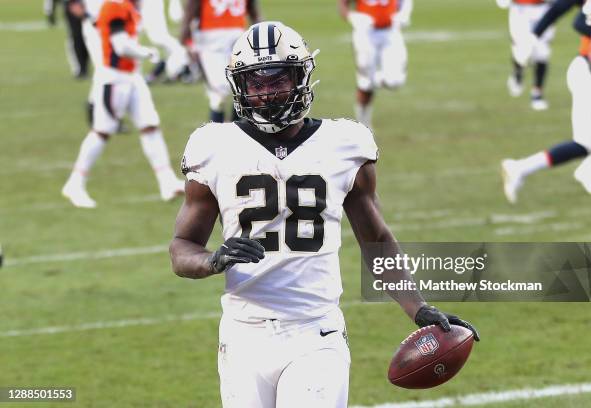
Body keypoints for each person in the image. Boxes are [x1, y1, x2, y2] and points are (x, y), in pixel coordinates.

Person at [170, 22, 479, 408]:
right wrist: (211, 260)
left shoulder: (344, 144)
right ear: (240, 87)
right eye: (256, 83)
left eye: (278, 80)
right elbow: (181, 248)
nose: (266, 93)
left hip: (314, 331)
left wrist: (417, 307)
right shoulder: (213, 146)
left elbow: (376, 240)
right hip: (241, 333)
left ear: (301, 78)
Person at [62, 0, 184, 208]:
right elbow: (121, 46)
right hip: (114, 78)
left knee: (150, 126)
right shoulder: (115, 6)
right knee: (102, 131)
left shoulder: (126, 6)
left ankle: (167, 181)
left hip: (132, 76)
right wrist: (146, 52)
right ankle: (75, 182)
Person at [502, 1, 591, 203]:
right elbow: (578, 20)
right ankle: (590, 169)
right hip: (589, 71)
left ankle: (520, 168)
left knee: (584, 143)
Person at [180, 0, 261, 123]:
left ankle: (237, 130)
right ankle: (216, 134)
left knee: (243, 86)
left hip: (237, 37)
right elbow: (192, 6)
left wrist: (260, 32)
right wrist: (187, 36)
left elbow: (252, 8)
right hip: (210, 41)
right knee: (219, 92)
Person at [338, 0, 412, 128]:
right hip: (365, 34)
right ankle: (363, 124)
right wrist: (352, 17)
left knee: (395, 80)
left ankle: (372, 81)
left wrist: (404, 13)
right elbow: (343, 4)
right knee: (365, 85)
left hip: (391, 32)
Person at [496, 0, 556, 111]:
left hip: (543, 9)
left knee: (542, 52)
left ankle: (537, 93)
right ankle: (518, 71)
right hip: (520, 10)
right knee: (522, 51)